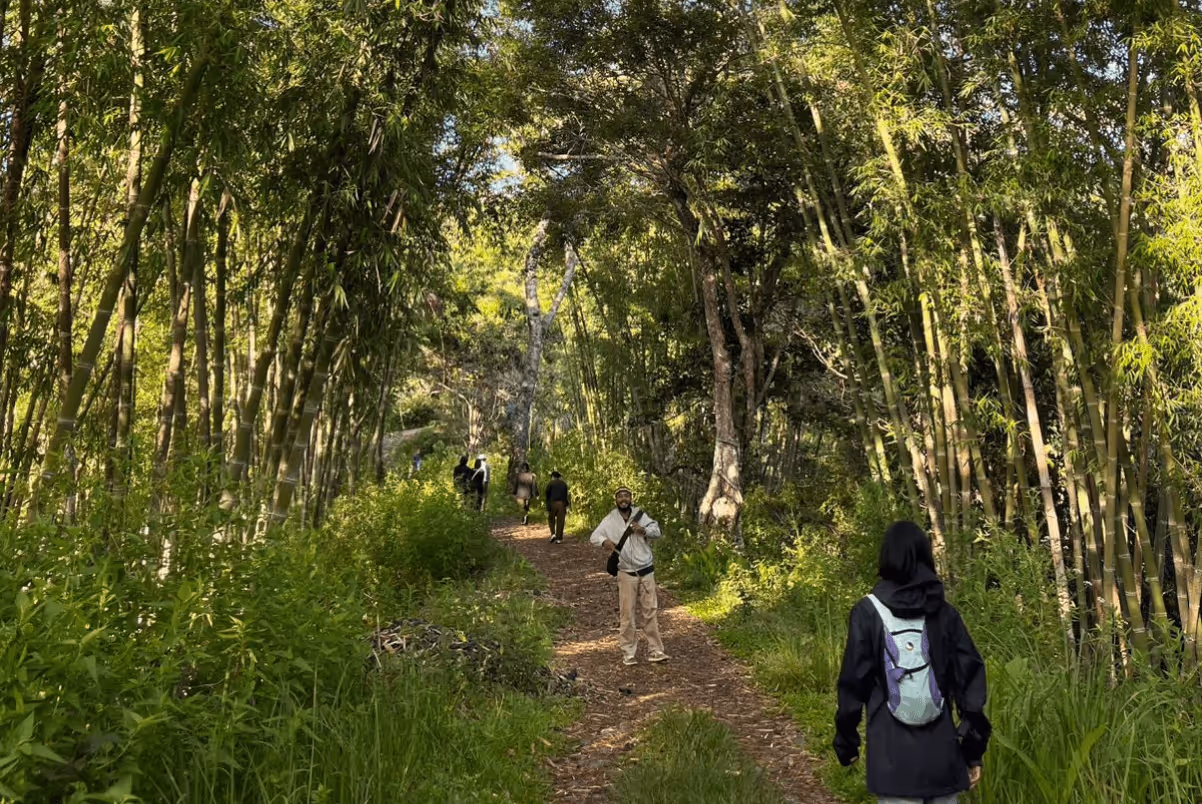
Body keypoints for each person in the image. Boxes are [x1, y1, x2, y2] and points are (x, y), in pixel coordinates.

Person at [834, 521, 990, 804]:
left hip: (892, 760)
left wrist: (846, 743)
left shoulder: (868, 612)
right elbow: (970, 681)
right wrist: (972, 750)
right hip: (942, 757)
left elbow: (853, 684)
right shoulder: (943, 613)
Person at [589, 486, 668, 666]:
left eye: (627, 496)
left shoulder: (641, 515)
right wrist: (604, 542)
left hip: (646, 569)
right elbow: (594, 536)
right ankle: (628, 652)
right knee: (627, 614)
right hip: (625, 572)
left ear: (631, 498)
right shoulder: (610, 519)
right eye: (620, 496)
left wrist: (643, 530)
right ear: (616, 500)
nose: (623, 499)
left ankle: (655, 650)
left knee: (650, 611)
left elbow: (657, 531)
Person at [544, 470, 569, 544]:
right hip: (561, 504)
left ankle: (553, 534)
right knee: (560, 521)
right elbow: (565, 496)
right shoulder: (564, 484)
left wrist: (547, 507)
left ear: (552, 477)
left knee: (551, 519)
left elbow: (547, 496)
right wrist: (566, 505)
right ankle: (559, 539)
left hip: (553, 503)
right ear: (559, 477)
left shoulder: (550, 483)